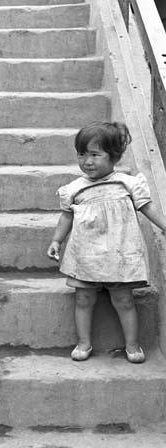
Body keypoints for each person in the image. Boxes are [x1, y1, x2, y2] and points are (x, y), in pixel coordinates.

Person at [47, 121, 166, 363]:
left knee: (123, 299)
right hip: (86, 255)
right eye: (82, 154)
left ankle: (132, 344)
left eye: (94, 154)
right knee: (83, 298)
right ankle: (84, 342)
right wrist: (57, 241)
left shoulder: (127, 183)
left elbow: (147, 207)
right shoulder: (74, 189)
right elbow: (66, 217)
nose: (87, 161)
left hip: (118, 254)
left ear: (113, 156)